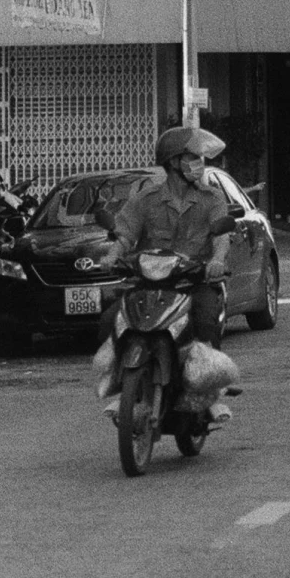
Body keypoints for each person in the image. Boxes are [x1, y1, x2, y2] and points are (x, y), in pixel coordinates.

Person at [108, 124, 235, 417]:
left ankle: (210, 394)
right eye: (192, 158)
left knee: (205, 321)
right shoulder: (145, 198)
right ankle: (121, 387)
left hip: (195, 280)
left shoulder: (212, 197)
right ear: (174, 162)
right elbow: (125, 234)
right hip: (152, 282)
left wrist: (217, 260)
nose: (199, 164)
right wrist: (112, 256)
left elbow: (221, 235)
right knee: (111, 319)